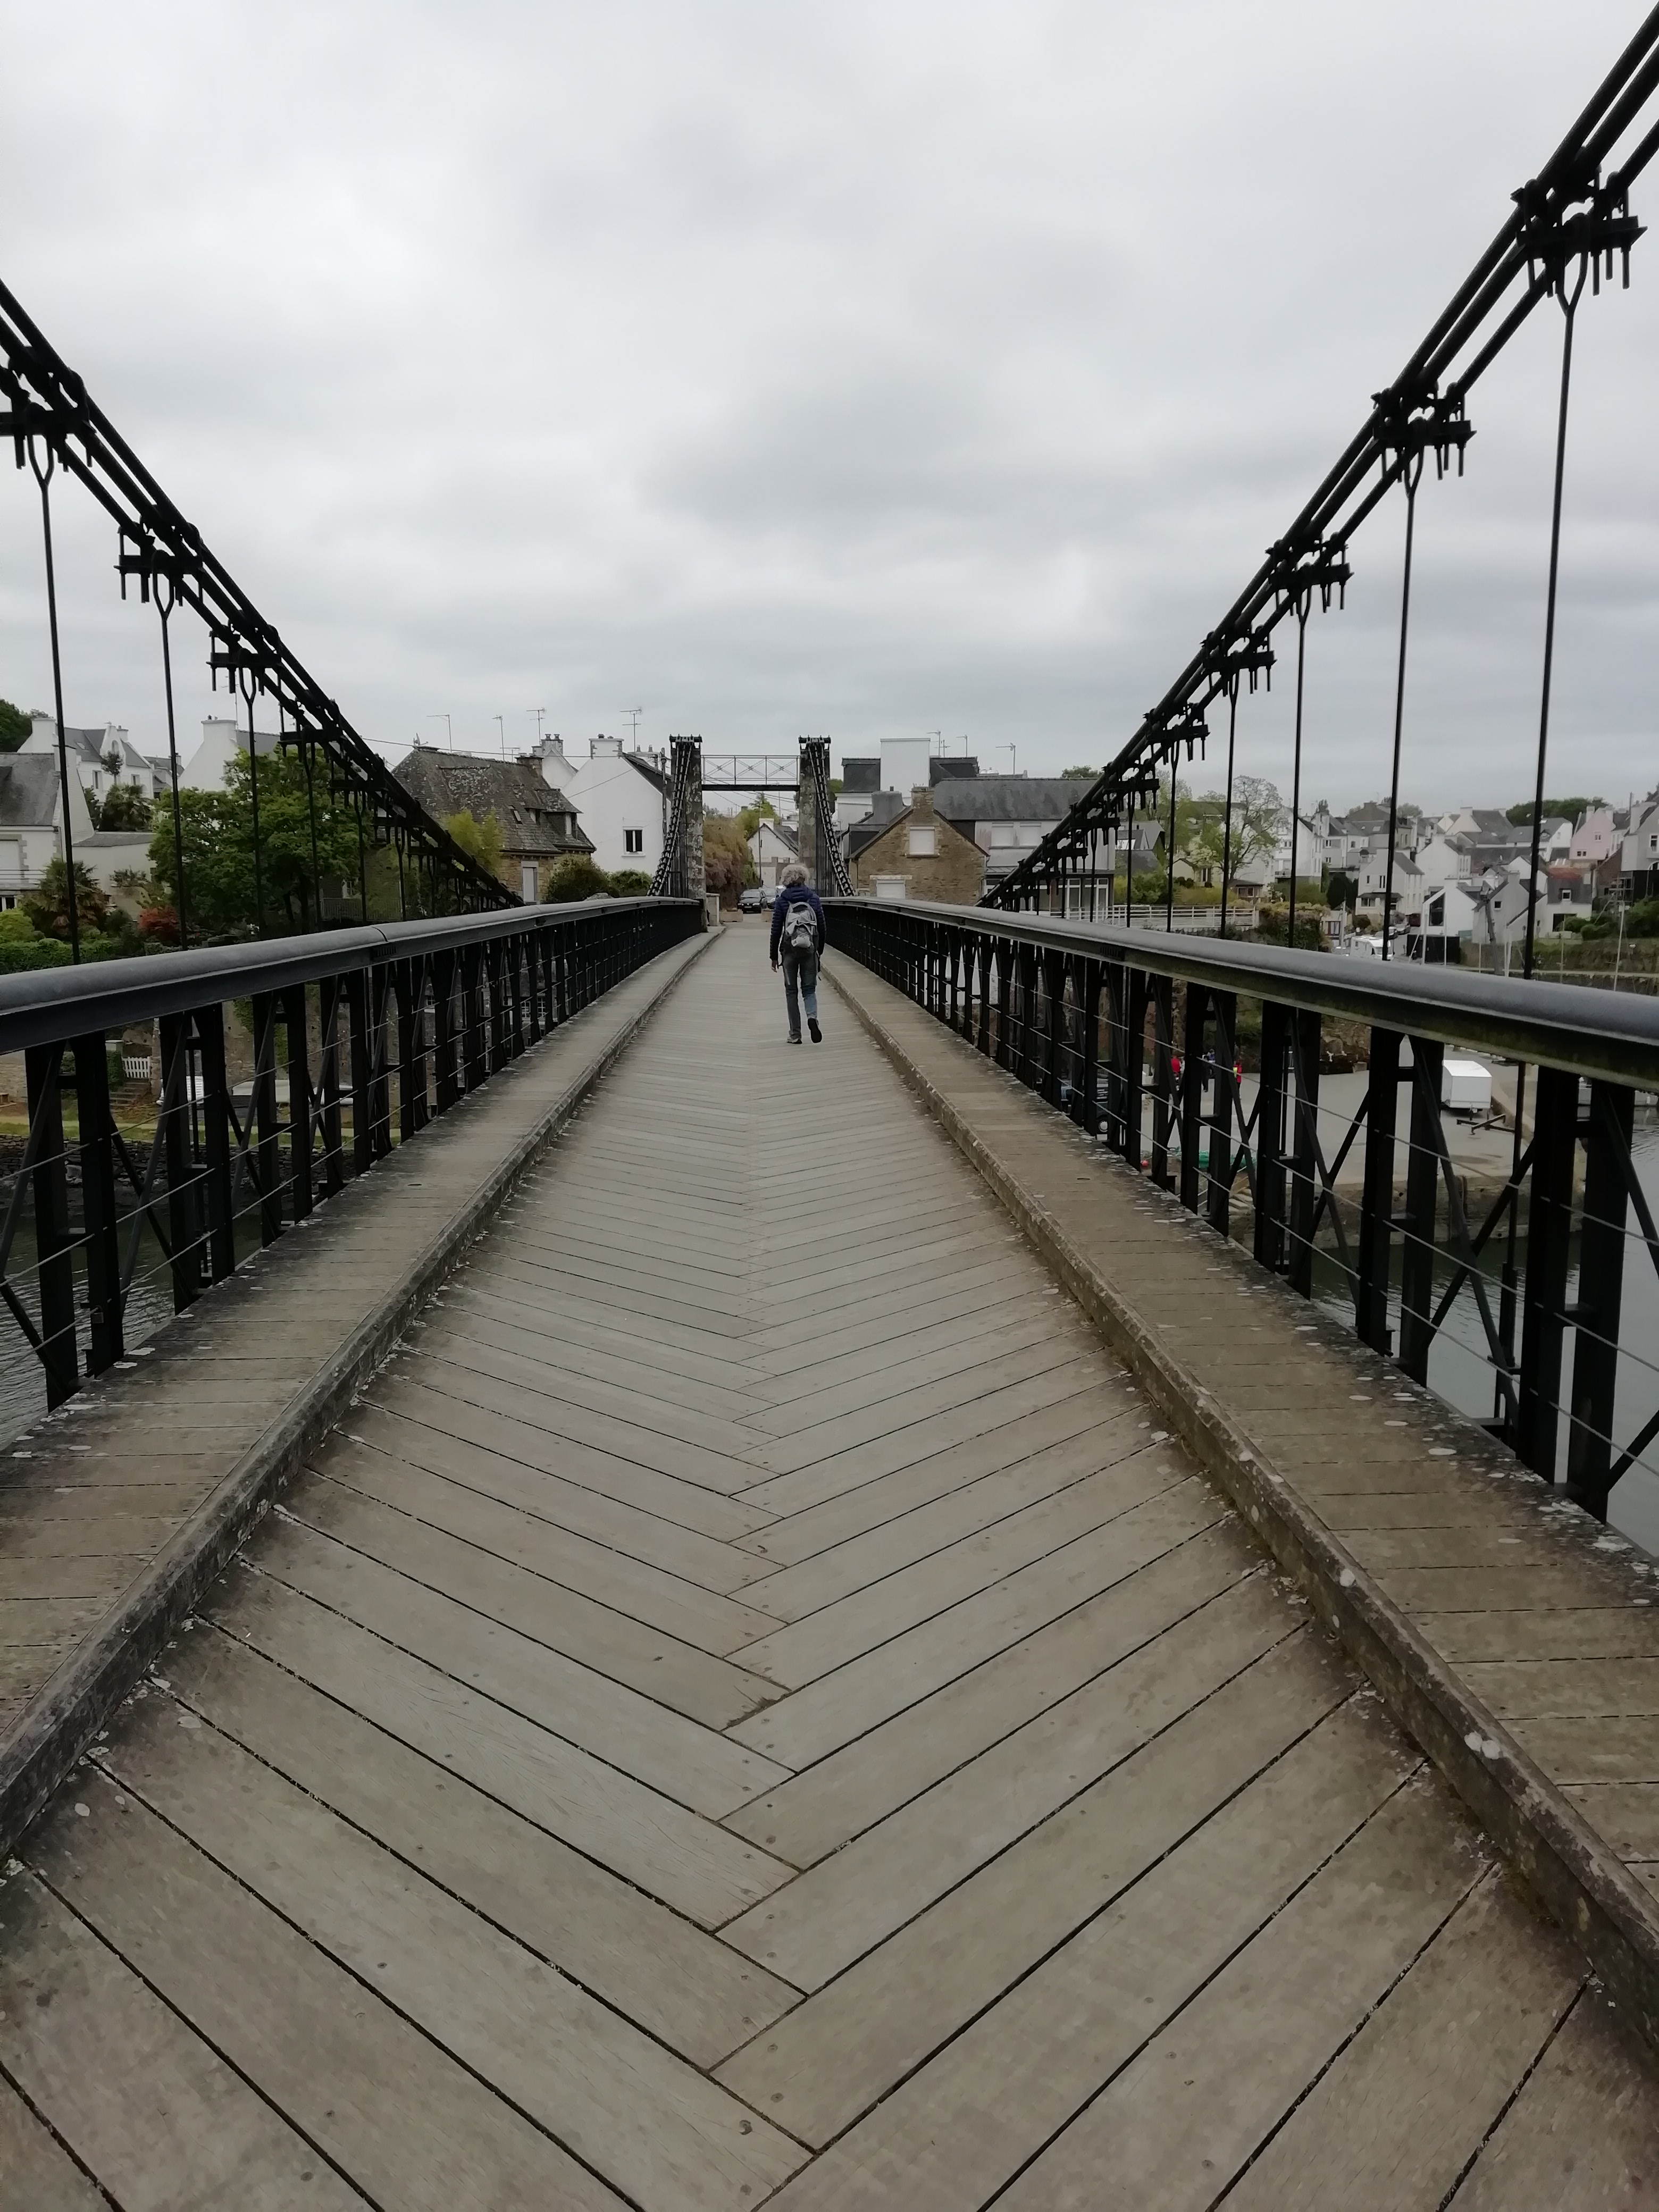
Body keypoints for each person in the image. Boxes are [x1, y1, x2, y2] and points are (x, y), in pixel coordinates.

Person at [769, 861, 825, 1044]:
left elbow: (776, 930)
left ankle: (795, 1034)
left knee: (791, 991)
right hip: (809, 950)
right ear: (804, 879)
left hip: (789, 952)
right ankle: (812, 1018)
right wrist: (818, 951)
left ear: (786, 880)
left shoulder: (782, 901)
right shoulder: (814, 899)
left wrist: (773, 956)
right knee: (809, 990)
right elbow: (822, 928)